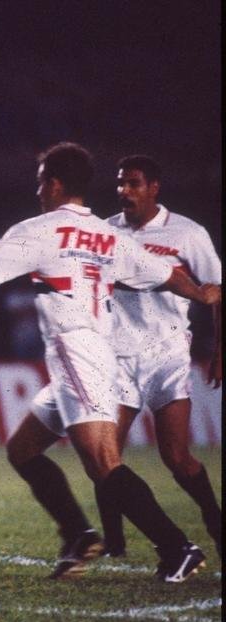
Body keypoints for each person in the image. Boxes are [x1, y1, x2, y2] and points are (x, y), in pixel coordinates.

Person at [0, 142, 220, 582]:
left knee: (104, 463)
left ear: (53, 184)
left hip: (80, 354)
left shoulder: (42, 229)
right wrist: (204, 293)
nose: (38, 191)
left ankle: (177, 547)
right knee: (22, 450)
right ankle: (78, 533)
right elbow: (167, 273)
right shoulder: (108, 234)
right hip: (87, 355)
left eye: (41, 182)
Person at [102, 155, 222, 560]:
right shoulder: (105, 232)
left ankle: (213, 517)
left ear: (154, 187)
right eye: (120, 184)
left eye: (133, 184)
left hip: (166, 357)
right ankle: (114, 544)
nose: (124, 192)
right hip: (119, 356)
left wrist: (220, 349)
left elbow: (216, 290)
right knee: (104, 456)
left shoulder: (187, 234)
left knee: (174, 456)